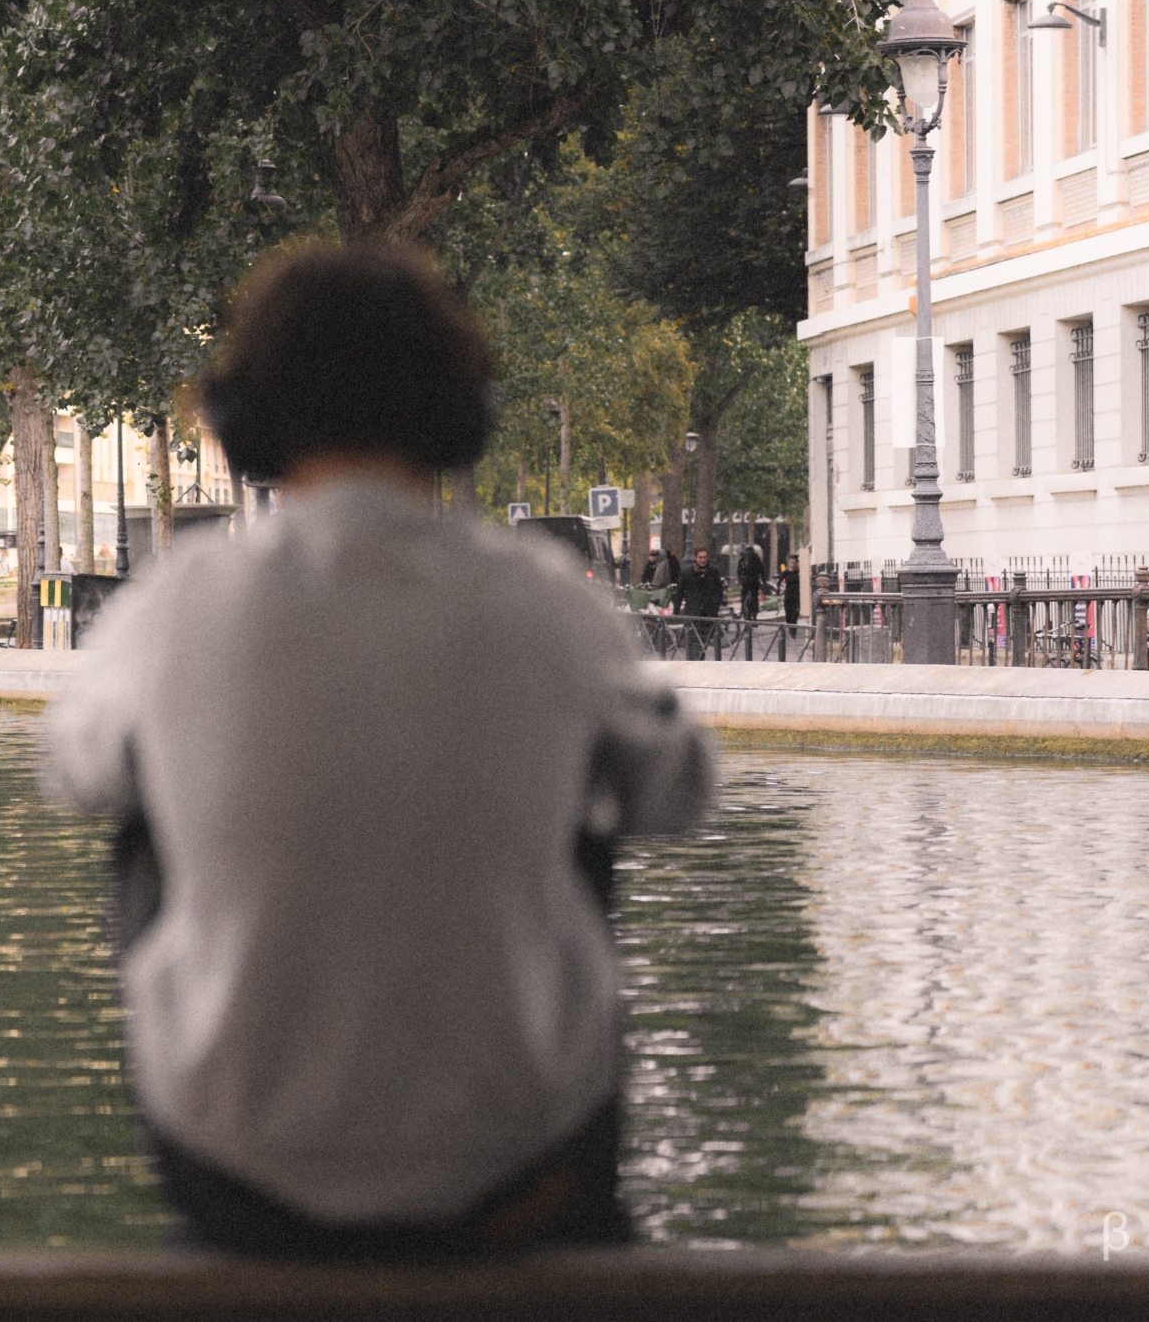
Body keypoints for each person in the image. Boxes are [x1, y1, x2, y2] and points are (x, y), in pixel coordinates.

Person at [44, 241, 712, 1261]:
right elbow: (675, 791)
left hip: (238, 1171)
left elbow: (73, 773)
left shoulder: (176, 600)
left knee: (141, 815)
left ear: (241, 418)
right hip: (518, 1162)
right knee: (588, 806)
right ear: (461, 412)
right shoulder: (539, 595)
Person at [674, 547, 726, 620]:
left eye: (705, 557)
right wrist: (676, 610)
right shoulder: (687, 573)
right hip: (693, 612)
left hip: (710, 613)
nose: (703, 560)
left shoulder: (713, 572)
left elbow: (719, 590)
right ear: (695, 558)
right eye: (700, 557)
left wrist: (715, 606)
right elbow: (679, 592)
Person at [736, 542, 766, 621]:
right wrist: (764, 581)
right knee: (754, 597)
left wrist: (739, 579)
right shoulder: (756, 557)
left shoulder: (742, 558)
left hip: (745, 580)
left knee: (744, 595)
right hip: (754, 580)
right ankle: (754, 615)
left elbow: (739, 570)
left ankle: (744, 611)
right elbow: (762, 570)